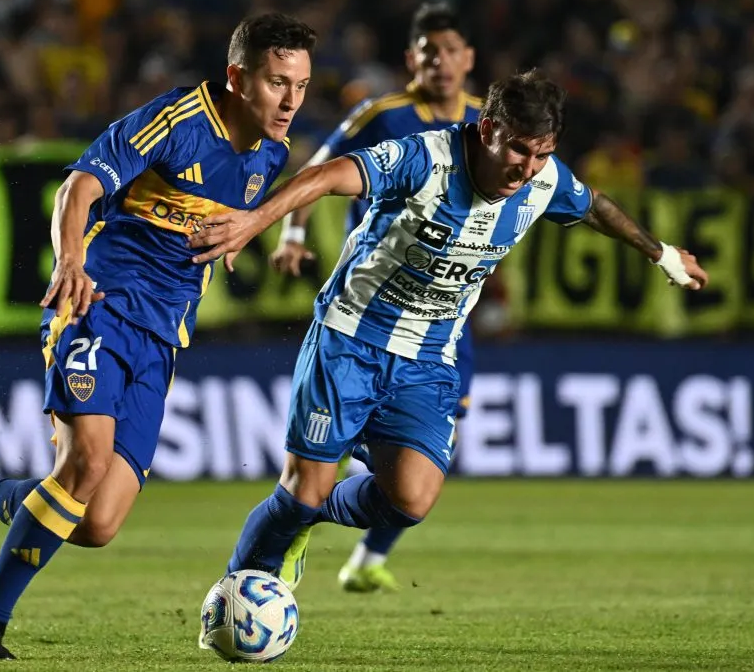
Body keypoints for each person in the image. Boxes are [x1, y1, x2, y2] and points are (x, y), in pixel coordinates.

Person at [189, 70, 709, 628]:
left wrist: (660, 254)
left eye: (541, 154)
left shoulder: (543, 180)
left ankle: (311, 516)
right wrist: (256, 222)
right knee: (297, 494)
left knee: (410, 501)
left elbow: (594, 205)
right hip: (350, 340)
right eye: (517, 149)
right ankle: (232, 602)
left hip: (427, 360)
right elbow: (326, 175)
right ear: (487, 127)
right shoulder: (425, 159)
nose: (526, 168)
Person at [0, 13, 316, 660]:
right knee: (84, 463)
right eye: (276, 82)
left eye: (301, 85)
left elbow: (233, 210)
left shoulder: (270, 154)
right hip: (96, 307)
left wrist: (242, 232)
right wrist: (70, 258)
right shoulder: (179, 122)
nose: (290, 100)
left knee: (96, 522)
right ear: (238, 77)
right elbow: (80, 184)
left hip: (160, 340)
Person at [271, 2, 481, 594]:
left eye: (451, 51)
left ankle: (366, 557)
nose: (440, 62)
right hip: (370, 309)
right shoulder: (382, 114)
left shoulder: (487, 123)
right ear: (411, 58)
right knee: (328, 445)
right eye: (428, 51)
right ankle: (300, 519)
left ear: (469, 59)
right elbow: (318, 170)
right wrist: (291, 233)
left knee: (439, 449)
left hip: (443, 320)